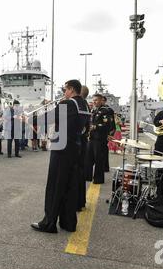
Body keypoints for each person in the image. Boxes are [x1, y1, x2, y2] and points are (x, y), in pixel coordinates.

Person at [31, 80, 88, 233]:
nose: (64, 92)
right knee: (70, 186)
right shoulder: (84, 105)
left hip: (61, 148)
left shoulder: (69, 104)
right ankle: (68, 223)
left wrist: (30, 119)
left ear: (71, 89)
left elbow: (49, 117)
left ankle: (49, 223)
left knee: (55, 186)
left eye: (65, 90)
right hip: (76, 149)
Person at [85, 94, 110, 184]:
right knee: (88, 158)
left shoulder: (105, 111)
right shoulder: (93, 110)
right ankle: (87, 176)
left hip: (99, 139)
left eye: (96, 100)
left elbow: (107, 125)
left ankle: (98, 179)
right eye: (93, 100)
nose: (94, 102)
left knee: (98, 160)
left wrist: (96, 127)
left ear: (100, 100)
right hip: (91, 138)